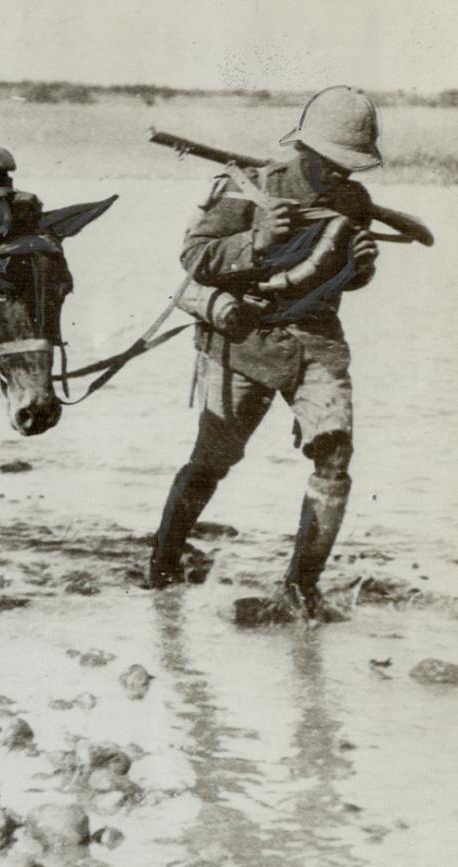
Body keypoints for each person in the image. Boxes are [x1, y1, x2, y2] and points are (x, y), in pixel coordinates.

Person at [146, 86, 383, 622]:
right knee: (212, 461)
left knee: (336, 454)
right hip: (245, 337)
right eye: (331, 164)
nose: (340, 176)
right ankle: (160, 569)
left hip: (318, 340)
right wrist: (254, 239)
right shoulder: (249, 188)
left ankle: (301, 588)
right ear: (306, 149)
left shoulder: (354, 202)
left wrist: (363, 264)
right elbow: (193, 258)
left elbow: (342, 274)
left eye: (351, 167)